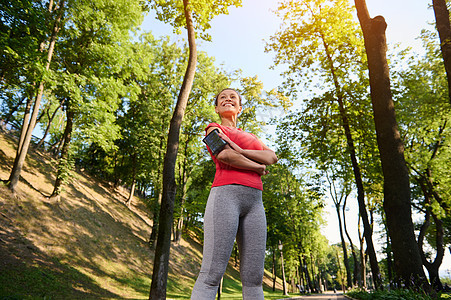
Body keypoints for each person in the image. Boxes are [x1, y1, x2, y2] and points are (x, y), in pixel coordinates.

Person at [191, 88, 278, 299]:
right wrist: (256, 167)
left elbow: (272, 157)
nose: (228, 99)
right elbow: (224, 154)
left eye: (233, 98)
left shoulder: (251, 136)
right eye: (222, 97)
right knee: (212, 273)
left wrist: (242, 150)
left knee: (254, 277)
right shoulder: (213, 128)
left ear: (239, 108)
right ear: (217, 108)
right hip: (225, 197)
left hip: (255, 204)